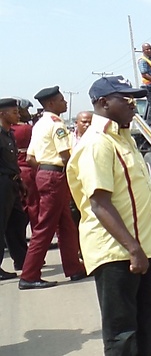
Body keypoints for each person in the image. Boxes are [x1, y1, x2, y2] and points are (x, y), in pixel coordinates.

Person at [67, 76, 151, 355]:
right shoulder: (97, 144)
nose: (133, 105)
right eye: (125, 100)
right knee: (122, 333)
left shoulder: (123, 138)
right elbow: (100, 203)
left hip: (140, 247)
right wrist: (133, 248)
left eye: (134, 99)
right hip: (117, 251)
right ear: (103, 103)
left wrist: (142, 248)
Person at [20, 86, 86, 289]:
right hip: (56, 175)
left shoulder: (39, 124)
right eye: (61, 100)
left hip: (44, 173)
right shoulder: (57, 124)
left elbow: (31, 158)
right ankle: (29, 275)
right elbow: (66, 155)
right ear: (51, 104)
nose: (65, 103)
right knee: (45, 227)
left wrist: (45, 170)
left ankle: (74, 268)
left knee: (66, 225)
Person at [0, 97, 29, 280]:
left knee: (18, 221)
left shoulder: (9, 133)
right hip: (1, 183)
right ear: (2, 114)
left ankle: (22, 260)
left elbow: (11, 161)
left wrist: (20, 180)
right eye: (14, 112)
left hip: (12, 182)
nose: (18, 115)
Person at [10, 97, 40, 234]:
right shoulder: (28, 129)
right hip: (27, 170)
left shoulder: (9, 129)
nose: (29, 112)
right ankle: (37, 234)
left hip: (13, 170)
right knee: (33, 205)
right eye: (26, 109)